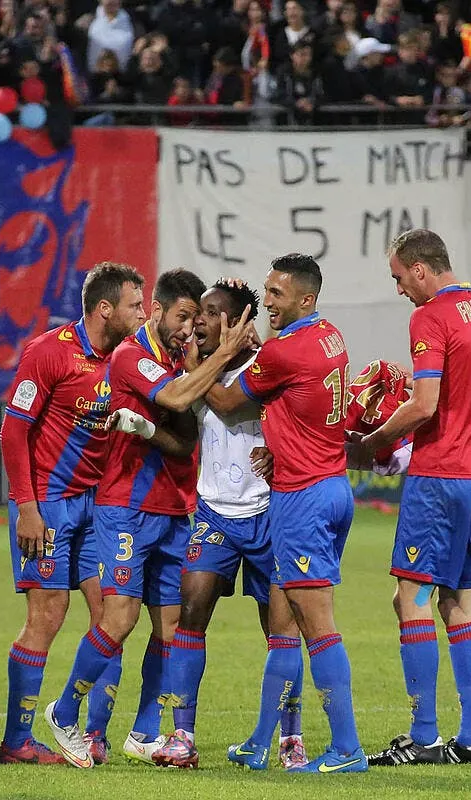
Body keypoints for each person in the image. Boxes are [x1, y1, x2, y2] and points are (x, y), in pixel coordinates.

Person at [44, 269, 254, 769]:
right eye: (182, 317)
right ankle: (66, 712)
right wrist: (221, 355)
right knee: (118, 619)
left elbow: (185, 442)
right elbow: (180, 399)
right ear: (157, 311)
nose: (188, 328)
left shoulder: (181, 359)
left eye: (196, 318)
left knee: (170, 626)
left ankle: (143, 731)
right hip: (125, 508)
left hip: (176, 509)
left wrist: (153, 426)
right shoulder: (130, 356)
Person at [203, 254, 366, 774]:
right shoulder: (330, 337)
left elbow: (228, 404)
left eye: (276, 294)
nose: (267, 302)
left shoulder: (283, 350)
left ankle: (347, 749)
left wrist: (196, 365)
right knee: (287, 625)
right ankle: (258, 742)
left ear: (306, 299)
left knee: (316, 627)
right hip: (333, 486)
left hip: (301, 498)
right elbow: (298, 406)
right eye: (267, 291)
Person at [142, 280, 307, 770]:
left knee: (280, 632)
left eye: (213, 313)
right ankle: (182, 736)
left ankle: (290, 739)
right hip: (214, 514)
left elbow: (232, 403)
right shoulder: (193, 370)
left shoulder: (266, 366)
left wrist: (199, 364)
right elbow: (185, 422)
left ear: (237, 323)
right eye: (200, 313)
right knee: (189, 618)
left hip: (268, 515)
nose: (200, 322)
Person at [356, 228, 471, 767]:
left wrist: (372, 443)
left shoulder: (431, 316)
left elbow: (423, 404)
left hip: (441, 477)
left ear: (420, 268)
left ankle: (423, 736)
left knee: (409, 600)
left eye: (398, 277)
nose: (399, 289)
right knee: (459, 602)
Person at [0, 262, 147, 767]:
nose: (141, 313)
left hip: (96, 507)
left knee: (111, 617)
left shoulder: (129, 357)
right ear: (105, 308)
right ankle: (17, 742)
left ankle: (92, 734)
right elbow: (13, 431)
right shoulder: (50, 351)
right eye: (134, 304)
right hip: (49, 506)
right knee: (47, 617)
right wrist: (26, 507)